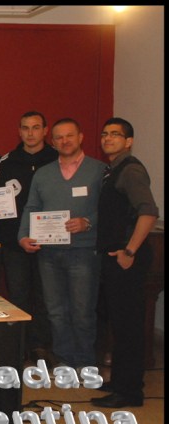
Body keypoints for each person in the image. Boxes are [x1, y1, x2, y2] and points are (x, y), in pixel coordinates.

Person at [18, 118, 106, 371]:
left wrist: (87, 222)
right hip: (49, 253)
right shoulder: (43, 174)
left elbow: (109, 209)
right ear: (53, 141)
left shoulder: (99, 170)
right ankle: (66, 360)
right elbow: (32, 207)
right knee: (55, 311)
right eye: (59, 137)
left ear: (81, 137)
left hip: (84, 251)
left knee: (82, 311)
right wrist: (23, 236)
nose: (64, 141)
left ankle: (85, 363)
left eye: (69, 135)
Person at [91, 118, 158, 408]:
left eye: (115, 135)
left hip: (127, 258)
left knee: (128, 326)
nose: (108, 138)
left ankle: (129, 392)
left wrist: (129, 252)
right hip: (114, 258)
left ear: (129, 141)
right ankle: (120, 381)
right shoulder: (113, 170)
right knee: (119, 323)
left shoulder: (130, 170)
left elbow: (149, 212)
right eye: (105, 134)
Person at [0, 111, 58, 365]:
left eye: (36, 127)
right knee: (18, 295)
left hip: (50, 241)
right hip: (14, 242)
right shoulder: (7, 161)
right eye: (25, 128)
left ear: (45, 131)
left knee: (45, 297)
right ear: (19, 131)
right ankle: (18, 346)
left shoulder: (57, 158)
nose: (30, 133)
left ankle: (39, 346)